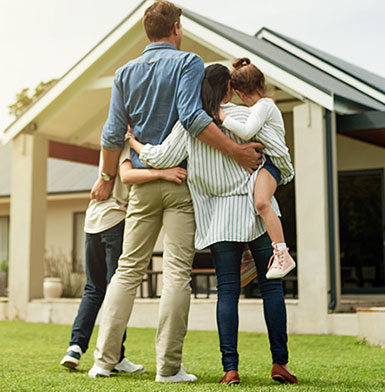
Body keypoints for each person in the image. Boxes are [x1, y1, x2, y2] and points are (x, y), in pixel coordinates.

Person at [88, 1, 262, 382]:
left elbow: (112, 133)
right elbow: (193, 116)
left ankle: (102, 361)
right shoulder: (188, 63)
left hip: (143, 184)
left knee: (127, 270)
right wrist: (236, 150)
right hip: (181, 181)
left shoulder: (123, 73)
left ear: (148, 32)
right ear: (177, 28)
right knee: (177, 273)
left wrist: (105, 176)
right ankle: (168, 369)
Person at [128, 63, 297, 385]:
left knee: (228, 291)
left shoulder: (190, 123)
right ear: (230, 89)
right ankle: (280, 363)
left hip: (219, 220)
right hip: (256, 212)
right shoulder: (247, 116)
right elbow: (273, 151)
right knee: (272, 287)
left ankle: (230, 369)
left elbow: (161, 158)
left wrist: (133, 143)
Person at [60, 144, 186, 373]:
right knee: (119, 286)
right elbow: (128, 176)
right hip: (115, 220)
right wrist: (162, 174)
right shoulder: (125, 144)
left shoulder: (109, 145)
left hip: (93, 220)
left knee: (93, 288)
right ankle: (114, 357)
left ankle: (76, 347)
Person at [219, 58, 295, 279]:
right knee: (246, 201)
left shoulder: (263, 106)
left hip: (273, 163)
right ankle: (248, 255)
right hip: (266, 162)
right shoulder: (259, 107)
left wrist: (222, 115)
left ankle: (282, 253)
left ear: (239, 93)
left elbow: (246, 131)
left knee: (261, 202)